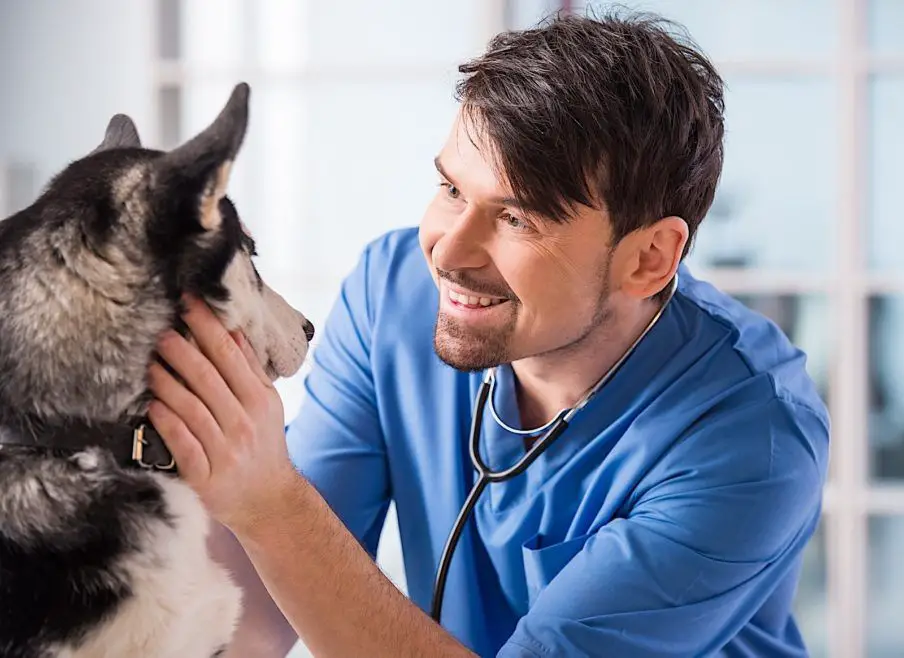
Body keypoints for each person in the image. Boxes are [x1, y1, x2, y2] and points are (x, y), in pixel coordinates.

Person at [148, 10, 830, 658]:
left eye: (517, 219)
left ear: (649, 257)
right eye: (451, 191)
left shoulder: (751, 434)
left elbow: (284, 518)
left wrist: (270, 501)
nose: (448, 253)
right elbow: (255, 616)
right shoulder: (395, 294)